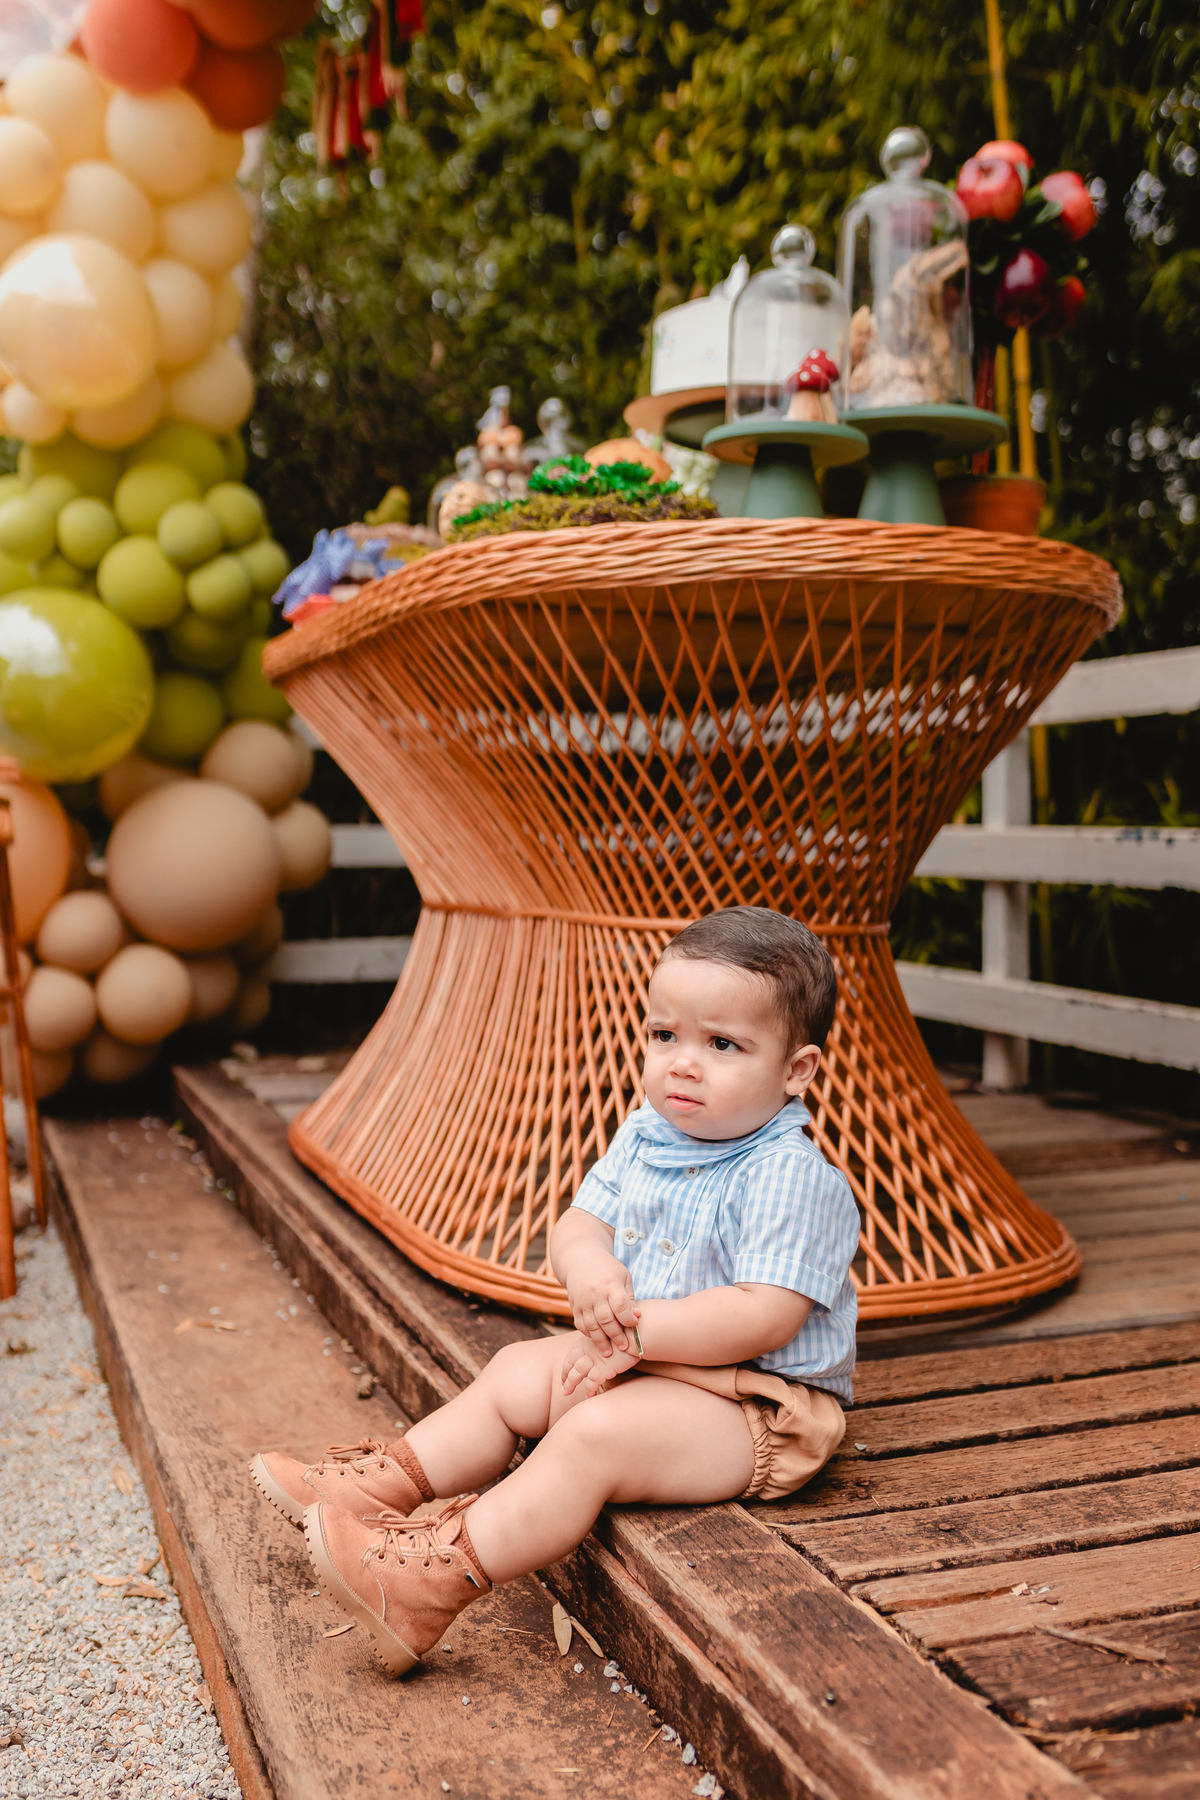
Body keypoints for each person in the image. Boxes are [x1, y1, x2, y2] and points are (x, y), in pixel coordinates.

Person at [250, 906, 860, 1677]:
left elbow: (762, 1315)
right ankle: (381, 1490)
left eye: (722, 1044)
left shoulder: (789, 1176)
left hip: (755, 1406)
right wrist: (591, 1268)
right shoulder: (648, 1135)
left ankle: (425, 1585)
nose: (681, 1064)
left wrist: (633, 1335)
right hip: (646, 1359)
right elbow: (579, 1223)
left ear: (796, 1070)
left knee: (593, 1435)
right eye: (664, 1035)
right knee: (514, 1370)